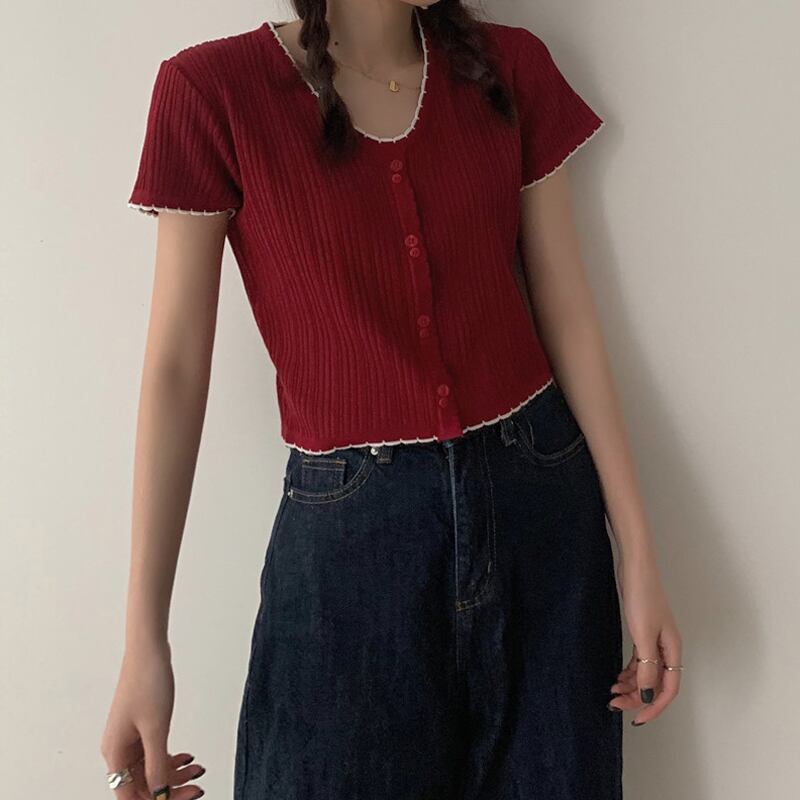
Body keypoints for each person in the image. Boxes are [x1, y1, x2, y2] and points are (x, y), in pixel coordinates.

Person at [100, 2, 683, 799]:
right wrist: (144, 643)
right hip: (348, 550)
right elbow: (174, 368)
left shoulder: (508, 67)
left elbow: (568, 311)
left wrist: (638, 551)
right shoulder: (213, 92)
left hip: (542, 522)